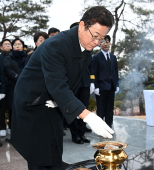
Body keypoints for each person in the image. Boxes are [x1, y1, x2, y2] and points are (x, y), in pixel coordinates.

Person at [10, 6, 114, 170]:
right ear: (81, 26)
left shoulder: (86, 50)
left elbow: (71, 83)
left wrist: (62, 102)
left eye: (101, 39)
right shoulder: (56, 45)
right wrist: (87, 115)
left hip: (53, 101)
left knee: (54, 148)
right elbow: (57, 85)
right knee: (40, 155)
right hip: (33, 102)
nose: (96, 43)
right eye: (95, 36)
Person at [68, 22, 95, 144]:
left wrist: (92, 81)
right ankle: (75, 135)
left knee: (84, 108)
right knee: (74, 110)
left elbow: (91, 67)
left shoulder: (87, 47)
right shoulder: (68, 48)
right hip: (73, 84)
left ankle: (82, 133)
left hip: (85, 83)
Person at [93, 35, 119, 128]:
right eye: (103, 42)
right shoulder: (96, 57)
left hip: (111, 87)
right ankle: (100, 127)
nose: (106, 44)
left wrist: (117, 84)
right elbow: (94, 73)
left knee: (109, 108)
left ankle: (109, 126)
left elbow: (116, 72)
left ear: (110, 43)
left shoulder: (113, 57)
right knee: (101, 109)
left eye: (107, 42)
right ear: (100, 44)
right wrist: (95, 86)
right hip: (101, 87)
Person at [4, 38, 27, 132]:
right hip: (13, 86)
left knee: (24, 108)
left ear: (23, 46)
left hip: (26, 86)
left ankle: (24, 130)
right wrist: (18, 77)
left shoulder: (27, 57)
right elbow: (8, 69)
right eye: (15, 45)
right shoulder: (8, 57)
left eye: (19, 44)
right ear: (12, 47)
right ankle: (13, 130)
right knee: (13, 109)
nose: (17, 46)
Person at [0, 39, 10, 138]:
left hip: (12, 85)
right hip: (3, 86)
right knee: (2, 109)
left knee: (12, 108)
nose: (8, 45)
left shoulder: (12, 56)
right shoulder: (0, 58)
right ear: (1, 47)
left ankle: (11, 127)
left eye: (9, 44)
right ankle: (2, 127)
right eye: (5, 44)